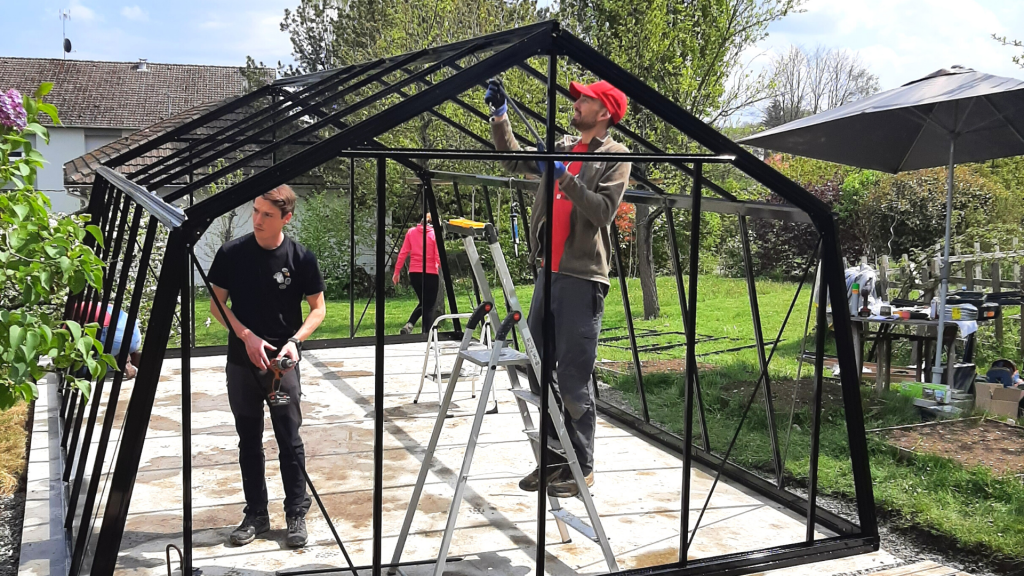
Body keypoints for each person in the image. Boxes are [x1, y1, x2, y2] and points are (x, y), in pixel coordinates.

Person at [485, 77, 631, 498]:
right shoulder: (564, 147)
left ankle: (582, 467)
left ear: (604, 111)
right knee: (533, 363)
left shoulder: (616, 156)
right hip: (548, 273)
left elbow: (603, 211)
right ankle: (552, 459)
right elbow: (513, 159)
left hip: (582, 277)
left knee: (572, 376)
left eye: (583, 99)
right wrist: (500, 116)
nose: (576, 103)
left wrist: (565, 179)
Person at [208, 184, 327, 548]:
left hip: (282, 367)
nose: (257, 220)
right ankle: (256, 514)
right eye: (255, 211)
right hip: (241, 364)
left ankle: (295, 512)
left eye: (267, 215)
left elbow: (318, 309)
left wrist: (294, 342)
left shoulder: (301, 258)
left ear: (286, 218)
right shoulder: (231, 253)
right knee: (249, 440)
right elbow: (216, 305)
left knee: (289, 440)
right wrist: (246, 336)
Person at [392, 213, 442, 335]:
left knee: (424, 302)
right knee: (429, 305)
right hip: (430, 273)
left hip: (414, 273)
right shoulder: (435, 235)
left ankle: (410, 325)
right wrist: (441, 266)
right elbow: (437, 256)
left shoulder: (411, 232)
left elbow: (403, 253)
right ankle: (426, 333)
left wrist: (396, 272)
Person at [72, 301, 143, 379]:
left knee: (78, 369)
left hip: (115, 338)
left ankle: (118, 358)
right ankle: (122, 355)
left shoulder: (76, 310)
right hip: (135, 336)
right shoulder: (101, 304)